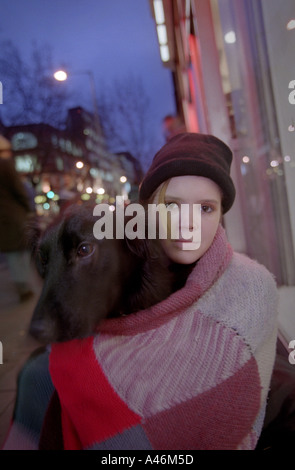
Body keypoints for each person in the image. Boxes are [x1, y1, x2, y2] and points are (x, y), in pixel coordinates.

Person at [3, 133, 278, 450]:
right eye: (172, 205)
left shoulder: (248, 286)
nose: (188, 224)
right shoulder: (123, 260)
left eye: (206, 208)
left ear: (221, 214)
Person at [0, 135, 34, 301]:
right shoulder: (6, 165)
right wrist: (28, 209)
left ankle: (21, 286)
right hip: (14, 216)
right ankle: (23, 283)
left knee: (12, 254)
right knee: (24, 249)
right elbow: (18, 189)